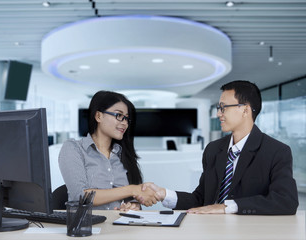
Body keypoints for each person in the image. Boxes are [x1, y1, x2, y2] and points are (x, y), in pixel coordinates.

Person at [138, 80, 299, 215]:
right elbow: (201, 199)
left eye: (223, 108)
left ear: (245, 110)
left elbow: (286, 201)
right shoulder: (213, 150)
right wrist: (164, 194)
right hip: (209, 231)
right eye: (218, 108)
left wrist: (227, 207)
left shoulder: (276, 151)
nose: (218, 114)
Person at [58, 90, 156, 210]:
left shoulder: (123, 154)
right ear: (99, 116)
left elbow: (133, 202)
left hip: (119, 225)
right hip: (86, 227)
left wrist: (133, 206)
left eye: (126, 119)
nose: (124, 123)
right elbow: (80, 196)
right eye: (119, 115)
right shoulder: (73, 148)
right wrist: (131, 189)